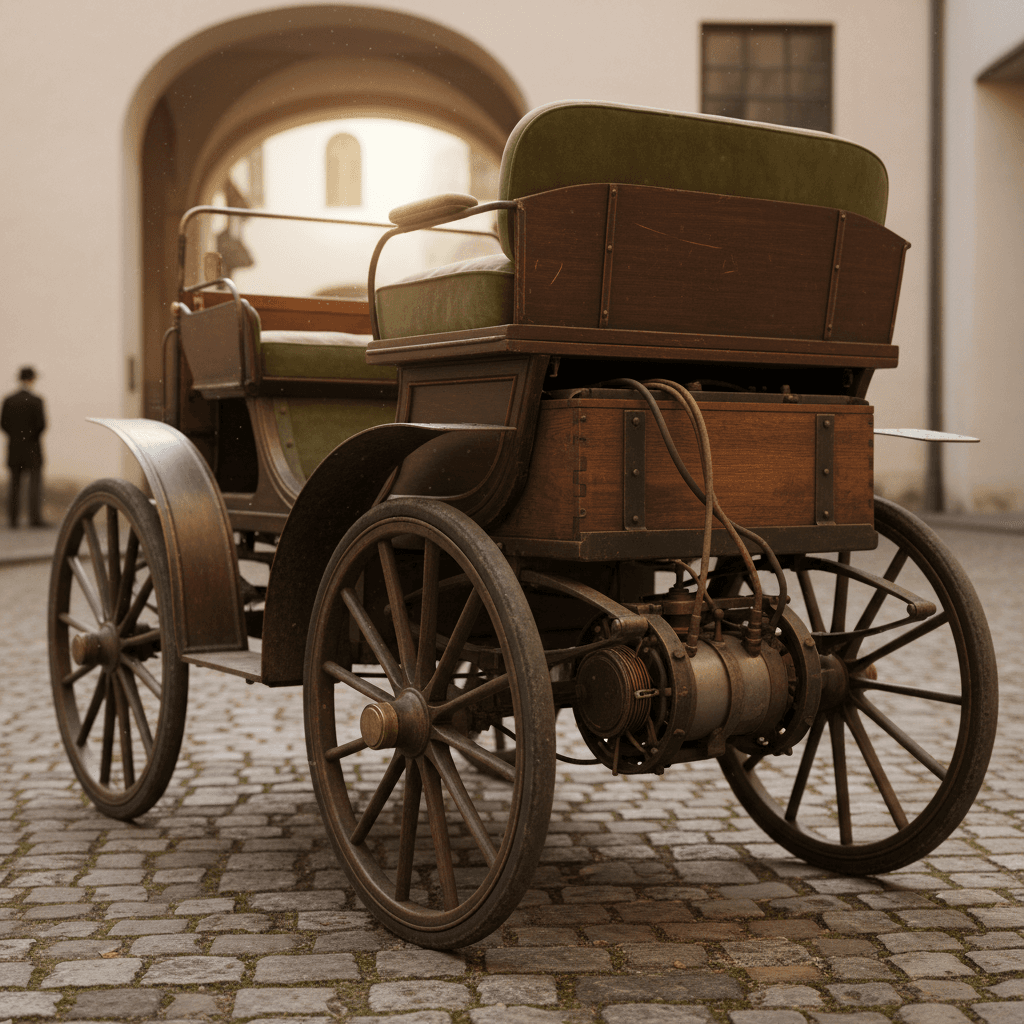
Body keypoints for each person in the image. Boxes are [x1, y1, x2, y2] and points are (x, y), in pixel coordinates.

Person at [1, 366, 46, 528]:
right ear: (32, 379)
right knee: (34, 486)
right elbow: (42, 425)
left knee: (14, 485)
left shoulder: (9, 400)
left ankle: (13, 520)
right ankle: (34, 519)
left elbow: (3, 424)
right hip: (32, 448)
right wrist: (30, 437)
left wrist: (16, 437)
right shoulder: (36, 401)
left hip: (14, 448)